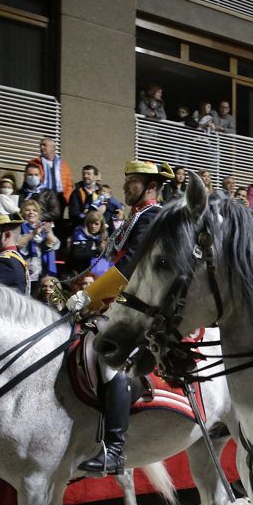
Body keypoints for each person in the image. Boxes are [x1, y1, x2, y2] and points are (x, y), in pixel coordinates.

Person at [65, 161, 175, 476]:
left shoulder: (153, 216)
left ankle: (114, 449)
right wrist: (81, 288)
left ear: (151, 186)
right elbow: (108, 263)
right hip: (120, 300)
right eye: (127, 181)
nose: (125, 187)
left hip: (142, 304)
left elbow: (127, 266)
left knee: (107, 359)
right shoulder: (135, 217)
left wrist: (90, 296)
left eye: (133, 182)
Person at [17, 200, 59, 289]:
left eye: (34, 210)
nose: (31, 212)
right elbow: (18, 244)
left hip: (42, 267)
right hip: (25, 267)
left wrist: (48, 232)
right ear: (22, 213)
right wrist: (33, 233)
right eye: (27, 210)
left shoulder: (44, 225)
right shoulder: (18, 226)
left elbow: (55, 244)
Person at [29, 136, 73, 206]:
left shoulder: (63, 165)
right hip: (41, 198)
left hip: (59, 199)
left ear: (53, 148)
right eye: (40, 145)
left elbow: (69, 185)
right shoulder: (34, 163)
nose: (41, 147)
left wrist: (66, 198)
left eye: (44, 145)